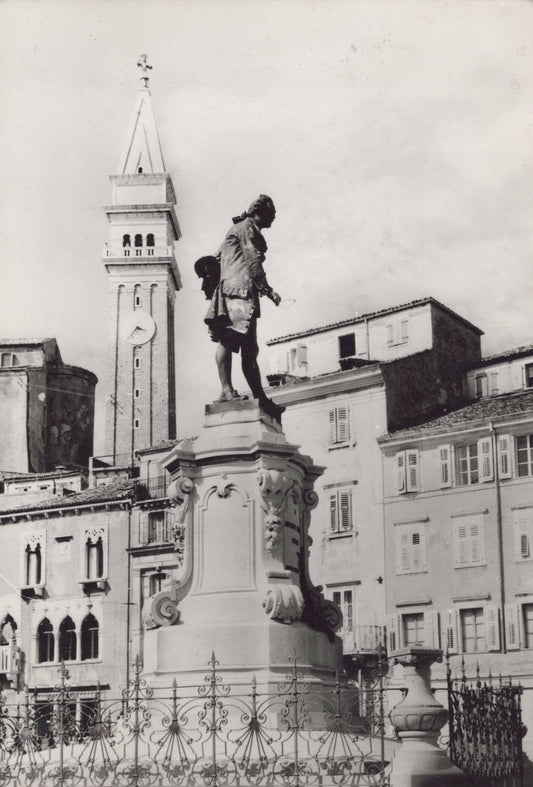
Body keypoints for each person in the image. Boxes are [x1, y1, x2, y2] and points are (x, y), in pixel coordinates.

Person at [203, 194, 285, 420]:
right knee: (229, 340)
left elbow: (219, 257)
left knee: (250, 350)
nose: (274, 219)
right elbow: (251, 259)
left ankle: (260, 397)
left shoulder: (243, 229)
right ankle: (226, 390)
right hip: (237, 293)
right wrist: (268, 290)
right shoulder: (245, 228)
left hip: (244, 293)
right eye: (273, 215)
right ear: (261, 212)